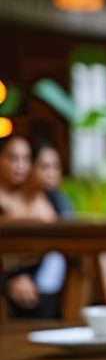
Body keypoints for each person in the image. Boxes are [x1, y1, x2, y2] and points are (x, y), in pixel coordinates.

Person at [0, 134, 61, 317]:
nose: (20, 165)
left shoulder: (50, 200)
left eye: (26, 159)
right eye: (13, 158)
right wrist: (7, 281)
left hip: (37, 281)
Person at [30, 140, 73, 216]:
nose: (52, 174)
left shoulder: (61, 201)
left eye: (56, 167)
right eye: (45, 167)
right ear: (31, 167)